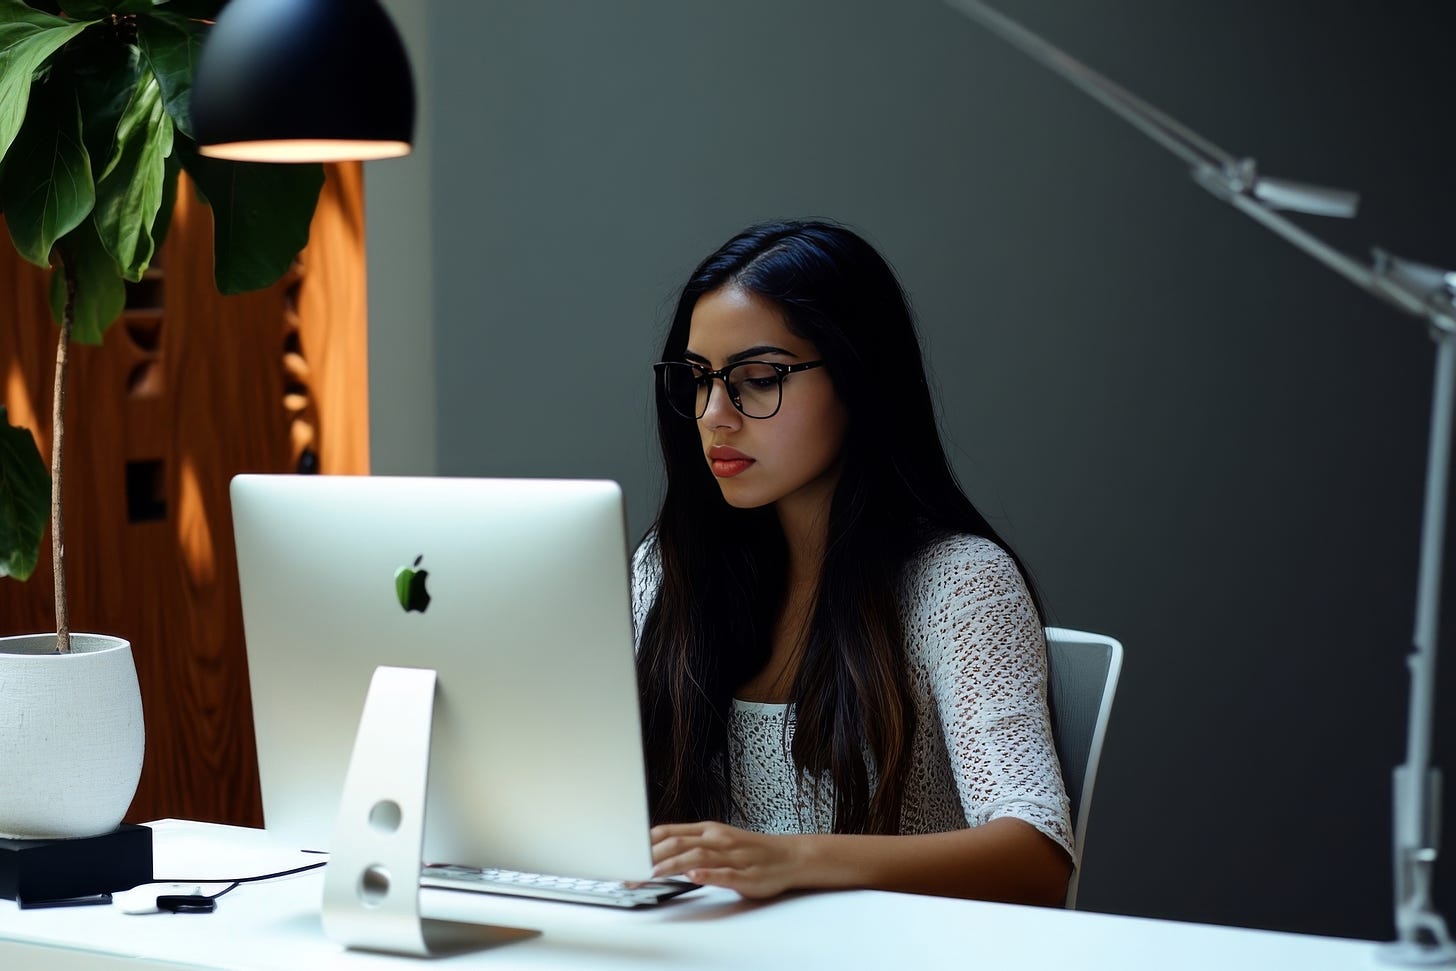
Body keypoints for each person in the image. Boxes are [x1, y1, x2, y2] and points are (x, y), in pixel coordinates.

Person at [632, 219, 1073, 905]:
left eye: (756, 378)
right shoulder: (670, 569)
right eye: (696, 379)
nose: (714, 414)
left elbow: (1036, 855)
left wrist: (793, 859)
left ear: (858, 378)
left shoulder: (960, 585)